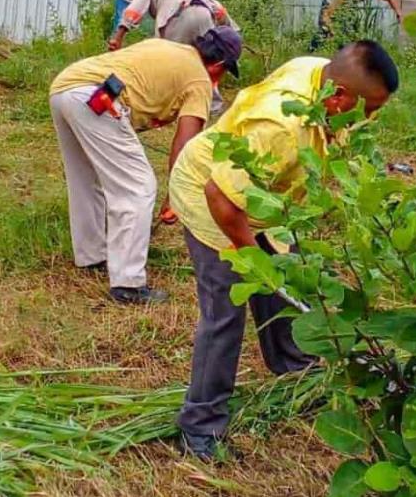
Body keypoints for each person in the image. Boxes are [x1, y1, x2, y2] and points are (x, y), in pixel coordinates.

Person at [168, 40, 400, 459]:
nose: (372, 119)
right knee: (226, 309)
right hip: (211, 194)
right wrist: (254, 261)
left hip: (262, 198)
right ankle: (200, 426)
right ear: (340, 97)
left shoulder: (319, 74)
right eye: (370, 110)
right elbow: (220, 196)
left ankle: (293, 371)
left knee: (284, 279)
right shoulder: (281, 127)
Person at [50, 26, 243, 305]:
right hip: (98, 98)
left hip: (66, 86)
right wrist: (175, 197)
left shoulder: (167, 45)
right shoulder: (200, 80)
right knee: (138, 188)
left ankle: (93, 256)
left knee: (86, 179)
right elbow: (185, 143)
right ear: (219, 65)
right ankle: (128, 284)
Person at [108, 0, 236, 51]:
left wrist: (118, 38)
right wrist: (234, 35)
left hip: (177, 16)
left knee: (166, 65)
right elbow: (217, 8)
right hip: (205, 14)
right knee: (201, 67)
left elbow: (134, 11)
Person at [313, 0, 403, 49]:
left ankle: (342, 56)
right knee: (324, 32)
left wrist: (399, 13)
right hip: (331, 4)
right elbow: (327, 15)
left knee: (347, 31)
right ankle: (312, 50)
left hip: (347, 6)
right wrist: (331, 30)